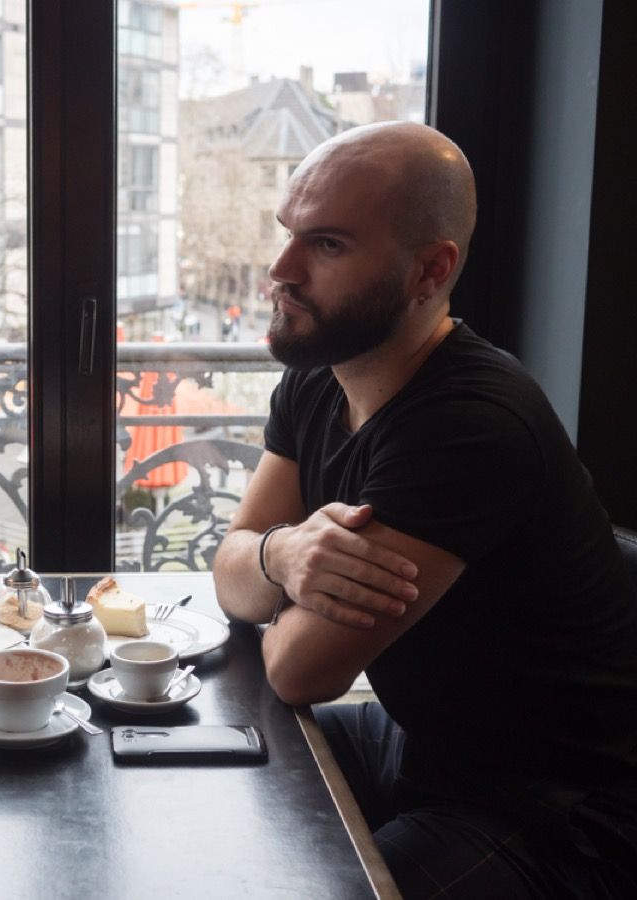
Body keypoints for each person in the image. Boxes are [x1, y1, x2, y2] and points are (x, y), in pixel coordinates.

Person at [213, 121, 637, 896]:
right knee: (211, 766)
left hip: (554, 808)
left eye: (328, 245)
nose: (280, 270)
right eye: (288, 234)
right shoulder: (320, 370)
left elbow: (300, 668)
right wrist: (282, 554)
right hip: (421, 739)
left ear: (429, 270)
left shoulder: (466, 427)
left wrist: (266, 567)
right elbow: (231, 569)